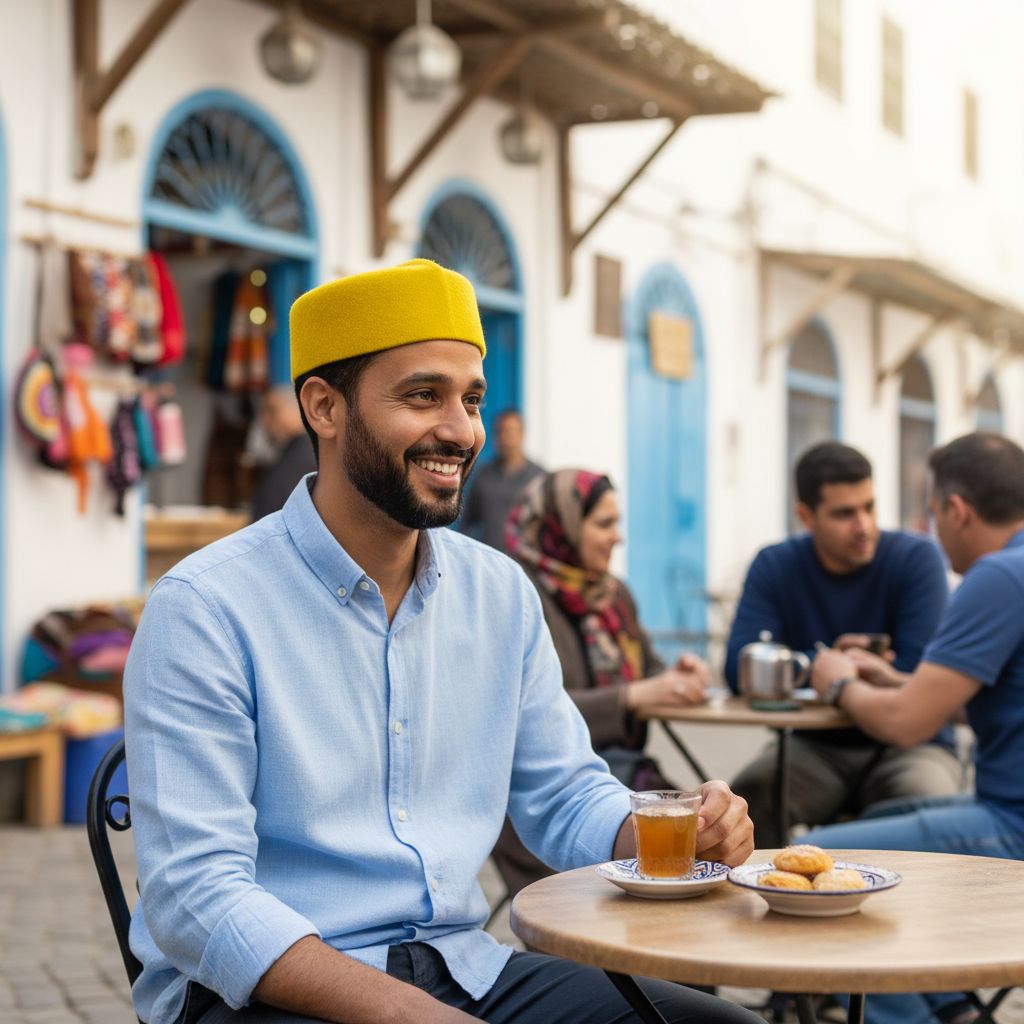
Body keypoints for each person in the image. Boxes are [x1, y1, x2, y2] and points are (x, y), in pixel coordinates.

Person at [123, 259, 758, 1024]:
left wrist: (675, 827)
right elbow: (197, 897)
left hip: (467, 969)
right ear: (324, 407)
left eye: (472, 399)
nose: (461, 430)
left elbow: (560, 794)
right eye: (424, 395)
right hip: (266, 989)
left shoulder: (498, 593)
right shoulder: (206, 606)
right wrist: (406, 1014)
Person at [807, 431, 1024, 1024]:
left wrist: (836, 681)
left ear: (957, 510)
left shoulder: (999, 577)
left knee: (819, 862)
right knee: (874, 829)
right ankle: (951, 1006)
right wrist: (890, 676)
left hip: (1014, 828)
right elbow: (965, 697)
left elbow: (907, 726)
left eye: (933, 513)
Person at [724, 441, 961, 847]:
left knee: (927, 803)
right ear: (805, 516)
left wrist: (825, 674)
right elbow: (739, 669)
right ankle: (769, 903)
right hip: (816, 748)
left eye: (869, 507)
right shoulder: (775, 564)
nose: (864, 526)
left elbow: (921, 676)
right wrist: (824, 663)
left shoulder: (916, 558)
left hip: (911, 746)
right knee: (747, 801)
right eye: (844, 514)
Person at [492, 468, 713, 897]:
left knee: (710, 830)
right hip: (542, 805)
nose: (618, 537)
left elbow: (649, 669)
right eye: (604, 524)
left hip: (624, 778)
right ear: (563, 527)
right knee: (682, 858)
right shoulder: (517, 597)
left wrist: (680, 673)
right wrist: (632, 697)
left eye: (618, 523)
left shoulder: (613, 596)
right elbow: (531, 716)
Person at [458, 408, 543, 549]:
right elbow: (466, 523)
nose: (505, 438)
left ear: (522, 434)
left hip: (525, 565)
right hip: (490, 562)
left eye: (510, 432)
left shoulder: (539, 477)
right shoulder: (482, 476)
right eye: (500, 432)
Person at [250, 384, 318, 521]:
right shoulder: (295, 452)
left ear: (297, 411)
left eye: (272, 411)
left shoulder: (302, 456)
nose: (265, 419)